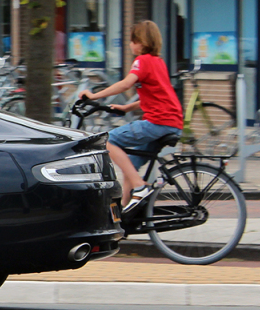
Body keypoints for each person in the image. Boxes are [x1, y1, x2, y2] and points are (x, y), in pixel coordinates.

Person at [79, 20, 184, 213]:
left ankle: (140, 187)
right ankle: (125, 212)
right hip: (172, 122)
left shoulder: (142, 61)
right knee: (131, 164)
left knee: (107, 141)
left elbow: (125, 84)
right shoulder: (159, 63)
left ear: (141, 42)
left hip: (157, 122)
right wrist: (127, 108)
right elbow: (159, 95)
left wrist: (94, 95)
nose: (130, 45)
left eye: (132, 41)